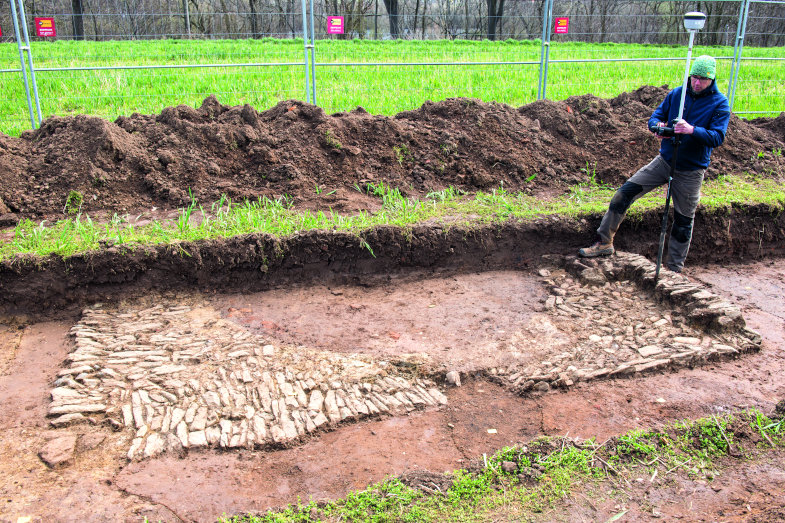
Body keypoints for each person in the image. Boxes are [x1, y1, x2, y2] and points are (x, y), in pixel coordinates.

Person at [578, 55, 731, 273]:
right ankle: (604, 243)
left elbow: (717, 137)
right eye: (694, 77)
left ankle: (675, 269)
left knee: (683, 219)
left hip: (690, 170)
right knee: (624, 193)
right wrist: (660, 128)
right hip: (664, 161)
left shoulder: (719, 104)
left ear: (712, 79)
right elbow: (654, 119)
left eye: (703, 79)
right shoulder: (677, 94)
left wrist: (691, 130)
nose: (697, 83)